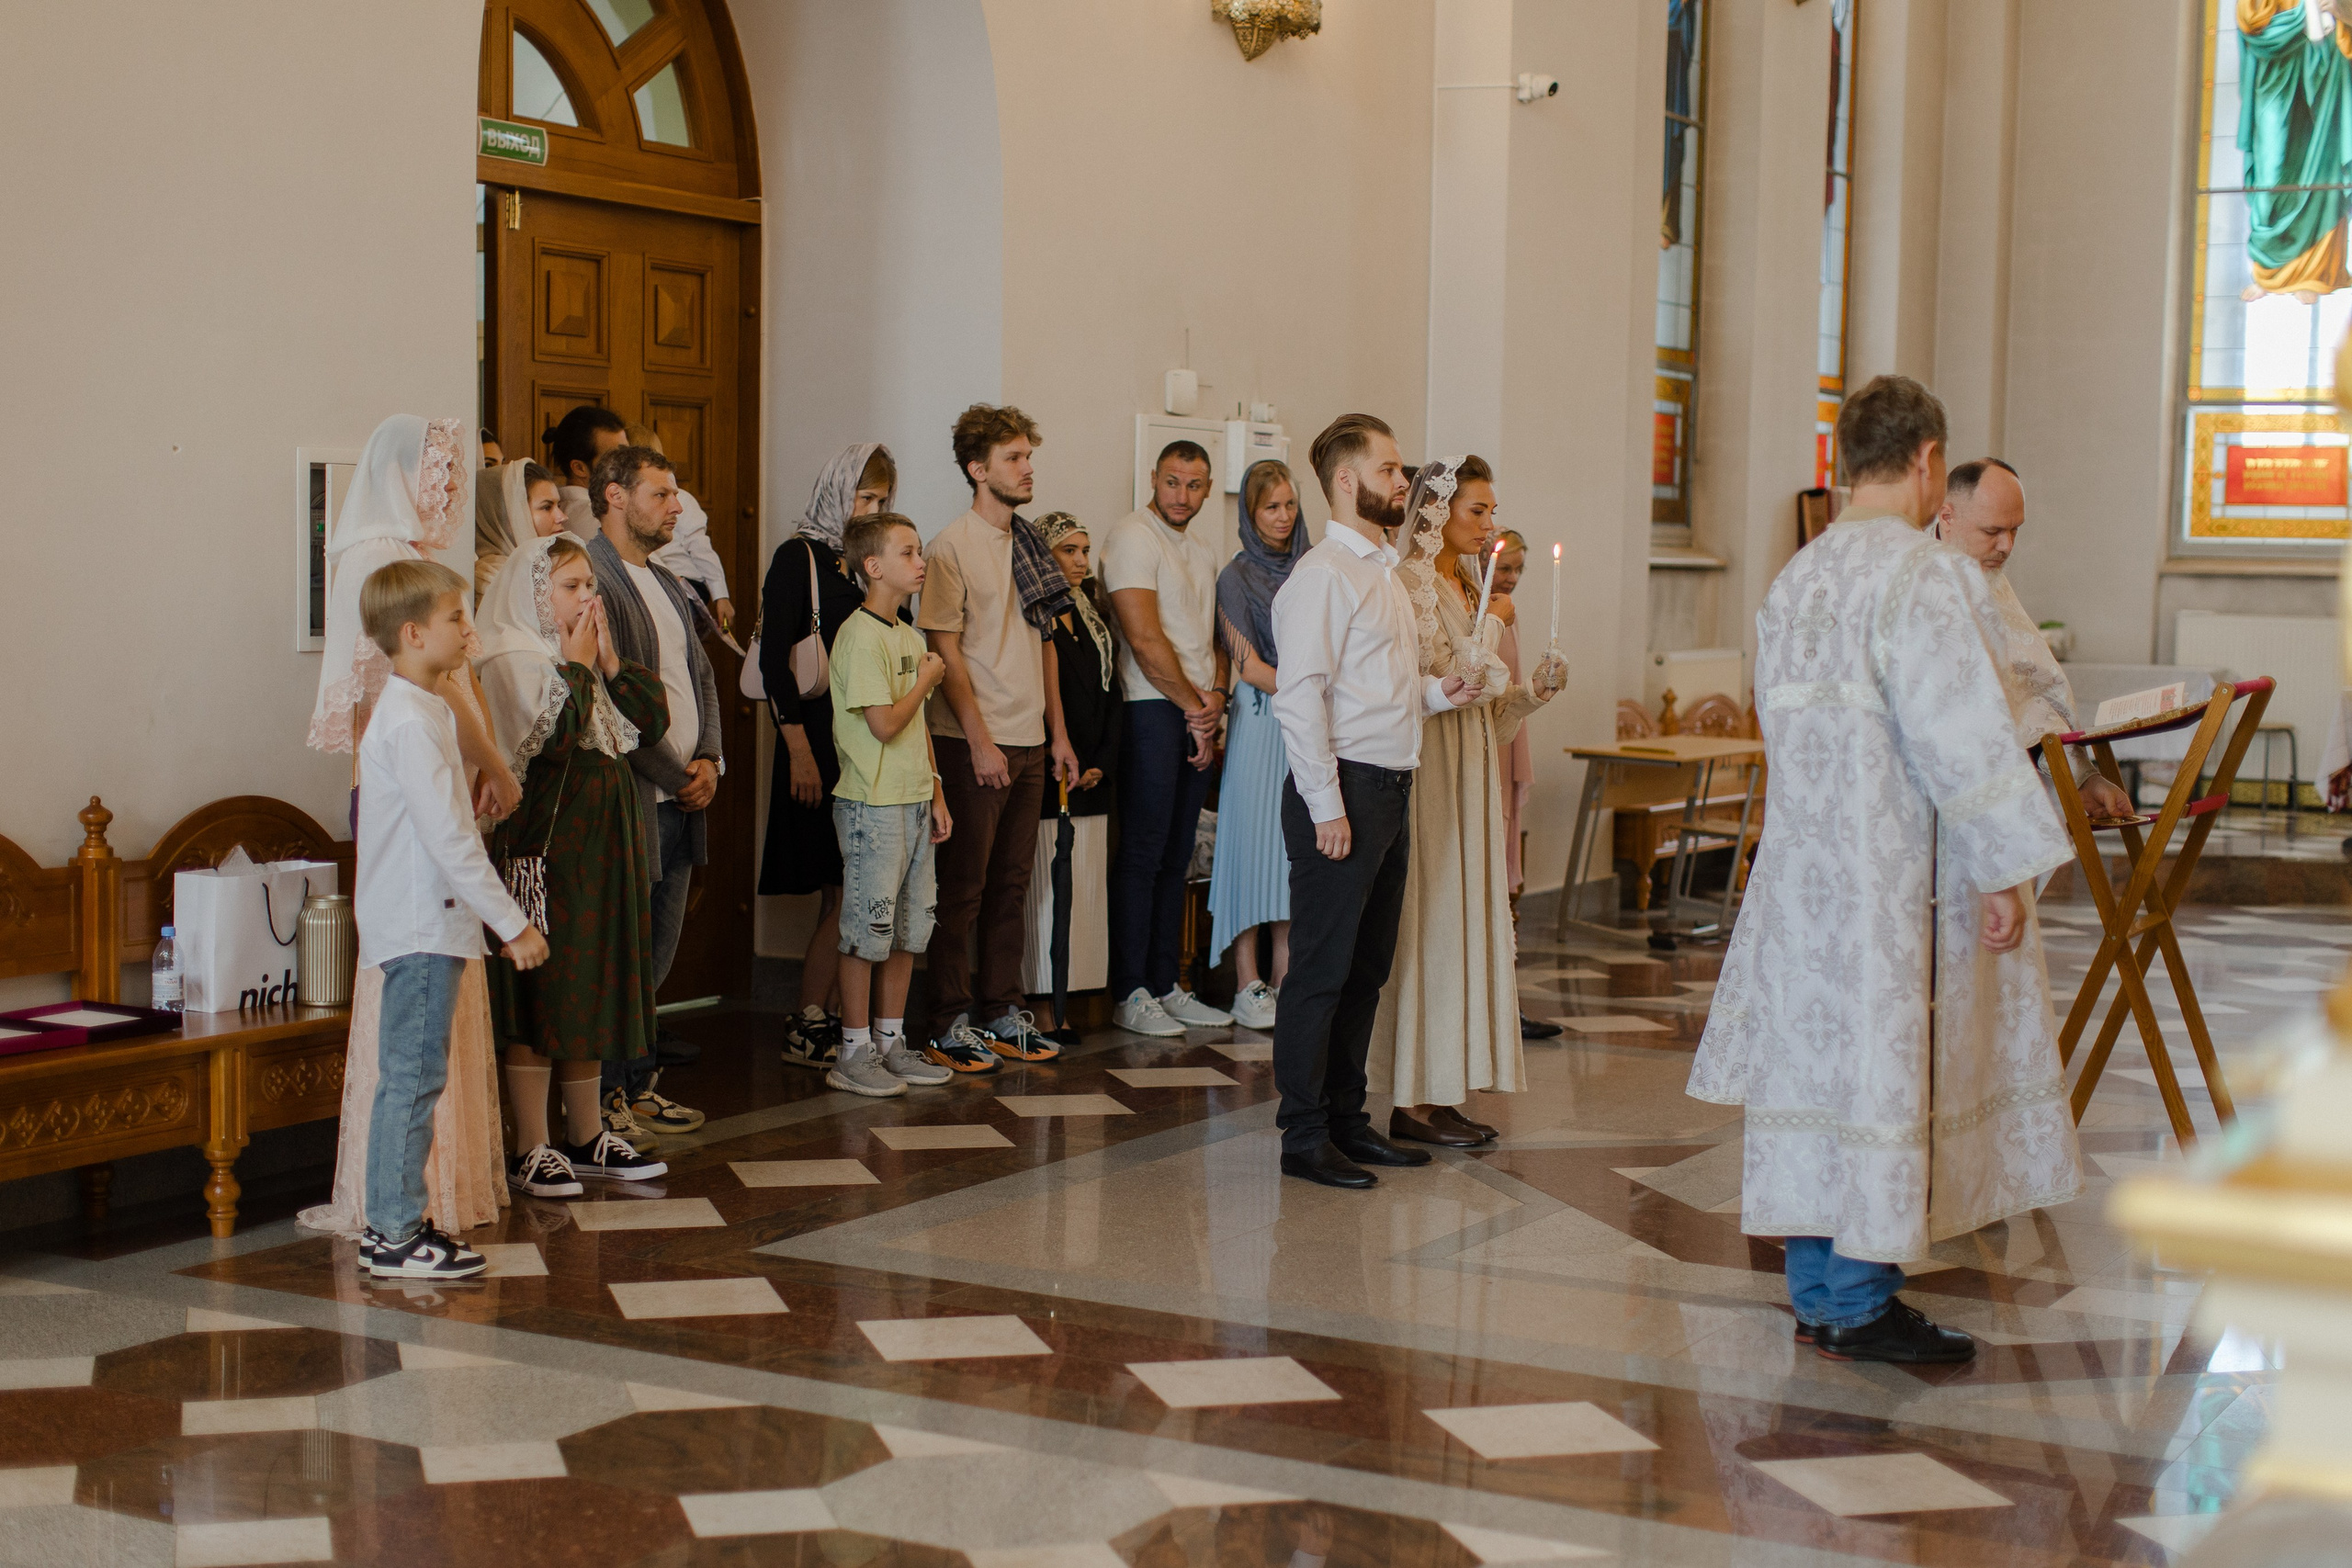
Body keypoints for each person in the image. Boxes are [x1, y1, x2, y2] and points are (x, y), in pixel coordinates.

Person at [1688, 375, 2082, 1365]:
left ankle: (1820, 1290)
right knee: (1880, 1078)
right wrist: (2002, 868)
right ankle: (1858, 1301)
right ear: (1922, 463)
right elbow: (1959, 737)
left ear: (1839, 462)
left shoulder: (1797, 578)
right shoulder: (1923, 576)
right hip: (1893, 888)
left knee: (1820, 1080)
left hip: (1800, 884)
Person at [300, 414, 517, 1248]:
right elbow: (405, 720)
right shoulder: (388, 591)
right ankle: (395, 1219)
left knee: (424, 1055)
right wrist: (513, 922)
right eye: (438, 469)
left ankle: (424, 1202)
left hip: (439, 852)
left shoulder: (421, 656)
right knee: (409, 1063)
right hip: (416, 864)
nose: (449, 484)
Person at [1269, 413, 1480, 1190]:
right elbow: (1302, 700)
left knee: (1366, 969)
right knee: (1321, 972)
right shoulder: (1324, 575)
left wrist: (1438, 691)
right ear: (1349, 481)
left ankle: (1349, 1118)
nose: (1406, 483)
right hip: (1346, 793)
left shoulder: (1382, 574)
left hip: (1387, 787)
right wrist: (1327, 807)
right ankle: (1303, 1133)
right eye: (1392, 471)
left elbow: (1376, 691)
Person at [350, 558, 548, 1279]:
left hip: (426, 921)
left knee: (413, 1075)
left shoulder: (423, 707)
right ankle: (395, 1232)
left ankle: (395, 1222)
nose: (470, 629)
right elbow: (448, 840)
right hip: (420, 924)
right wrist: (513, 923)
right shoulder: (407, 720)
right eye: (456, 618)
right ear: (412, 632)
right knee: (411, 1078)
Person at [1370, 458, 1566, 1148]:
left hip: (1473, 768)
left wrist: (1532, 692)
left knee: (1466, 928)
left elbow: (1487, 710)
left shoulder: (1466, 582)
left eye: (1492, 512)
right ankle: (1409, 1098)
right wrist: (1495, 627)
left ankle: (1445, 1086)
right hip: (1432, 776)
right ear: (1436, 514)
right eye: (1477, 511)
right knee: (1432, 927)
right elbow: (1437, 685)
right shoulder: (1410, 585)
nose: (1490, 527)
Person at [476, 533, 672, 1190]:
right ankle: (532, 1141)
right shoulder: (514, 656)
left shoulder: (584, 656)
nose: (589, 597)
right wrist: (581, 667)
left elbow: (648, 720)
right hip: (544, 854)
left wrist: (609, 662)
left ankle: (586, 1133)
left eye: (591, 584)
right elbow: (555, 739)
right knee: (542, 994)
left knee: (587, 987)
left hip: (602, 855)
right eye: (571, 586)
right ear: (535, 595)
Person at [919, 403, 1079, 1071]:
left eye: (1028, 456)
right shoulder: (950, 545)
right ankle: (947, 1018)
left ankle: (1000, 1010)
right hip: (970, 739)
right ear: (977, 469)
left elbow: (1045, 641)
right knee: (965, 886)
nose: (1028, 467)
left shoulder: (1032, 543)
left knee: (1014, 882)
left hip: (1030, 739)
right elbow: (945, 652)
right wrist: (980, 741)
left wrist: (1058, 734)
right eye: (1013, 458)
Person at [582, 444, 722, 1139]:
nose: (676, 507)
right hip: (637, 796)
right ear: (614, 495)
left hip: (685, 790)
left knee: (656, 957)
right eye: (661, 494)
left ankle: (639, 1086)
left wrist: (713, 761)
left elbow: (701, 675)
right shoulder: (593, 576)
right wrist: (676, 772)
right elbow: (611, 696)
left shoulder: (667, 579)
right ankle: (607, 1093)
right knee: (623, 954)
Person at [763, 444, 898, 1073]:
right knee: (842, 888)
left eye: (881, 501)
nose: (870, 510)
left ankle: (829, 1015)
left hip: (864, 749)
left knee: (848, 888)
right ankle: (810, 1016)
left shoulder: (862, 565)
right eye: (862, 498)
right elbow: (773, 665)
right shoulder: (799, 558)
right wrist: (797, 751)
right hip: (814, 746)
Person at [826, 512, 958, 1099]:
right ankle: (852, 1050)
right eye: (908, 552)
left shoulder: (908, 635)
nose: (920, 561)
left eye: (920, 550)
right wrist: (928, 679)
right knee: (867, 927)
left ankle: (889, 1041)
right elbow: (883, 726)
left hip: (910, 799)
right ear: (873, 567)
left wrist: (936, 790)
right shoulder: (859, 636)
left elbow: (919, 730)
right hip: (872, 805)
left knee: (908, 929)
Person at [1102, 442, 1233, 1035]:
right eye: (1173, 482)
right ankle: (1131, 990)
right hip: (1152, 708)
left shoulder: (1202, 548)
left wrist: (1216, 701)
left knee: (1178, 854)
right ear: (1154, 478)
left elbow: (1214, 639)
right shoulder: (1133, 535)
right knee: (1144, 851)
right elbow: (1145, 638)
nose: (1183, 495)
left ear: (1208, 488)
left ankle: (1165, 982)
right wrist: (1195, 708)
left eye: (1195, 484)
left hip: (1195, 708)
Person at [1934, 458, 2136, 819]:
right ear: (1947, 517)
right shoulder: (1912, 580)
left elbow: (2035, 698)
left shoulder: (1990, 580)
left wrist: (2084, 780)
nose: (2007, 546)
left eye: (2015, 531)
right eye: (1993, 530)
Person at [1207, 460, 1308, 1032]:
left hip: (1305, 723)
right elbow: (1246, 663)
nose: (1282, 517)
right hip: (1262, 717)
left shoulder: (1312, 567)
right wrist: (1306, 685)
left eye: (1290, 505)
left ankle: (1287, 979)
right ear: (1250, 513)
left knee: (1292, 850)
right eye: (1270, 507)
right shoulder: (1235, 576)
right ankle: (1247, 984)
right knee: (1252, 846)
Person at [1023, 513, 1123, 1043]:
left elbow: (1112, 695)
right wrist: (1064, 756)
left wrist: (1100, 762)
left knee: (1080, 894)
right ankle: (1040, 1008)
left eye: (1085, 550)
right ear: (1044, 556)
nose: (1082, 561)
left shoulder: (1092, 617)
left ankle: (1067, 1007)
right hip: (1048, 772)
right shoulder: (1036, 617)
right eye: (1069, 551)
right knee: (1044, 892)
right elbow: (1039, 696)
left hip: (1090, 777)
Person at [1481, 530, 1560, 1041]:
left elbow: (1511, 686)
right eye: (1504, 566)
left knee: (1507, 873)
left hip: (1508, 743)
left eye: (1517, 569)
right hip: (1483, 748)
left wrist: (1538, 685)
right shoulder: (1477, 610)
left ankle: (1507, 998)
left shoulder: (1508, 611)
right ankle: (1490, 1000)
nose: (1510, 577)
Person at [626, 422, 736, 636]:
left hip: (689, 587)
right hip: (655, 585)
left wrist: (720, 595)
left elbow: (701, 549)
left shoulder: (682, 500)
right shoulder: (629, 504)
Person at [473, 458, 568, 602]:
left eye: (558, 506)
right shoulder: (492, 577)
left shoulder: (545, 565)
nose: (562, 517)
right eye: (546, 507)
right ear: (510, 517)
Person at [545, 405, 628, 537]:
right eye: (614, 457)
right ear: (579, 468)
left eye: (626, 453)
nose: (627, 463)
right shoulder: (598, 518)